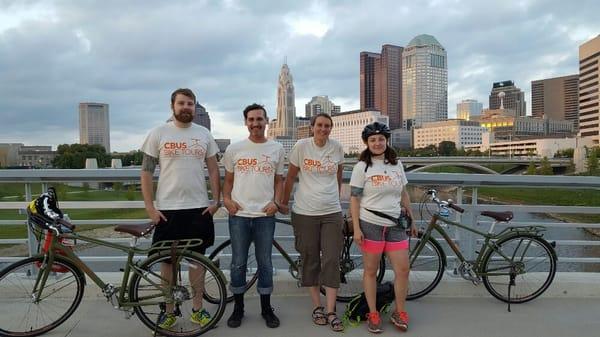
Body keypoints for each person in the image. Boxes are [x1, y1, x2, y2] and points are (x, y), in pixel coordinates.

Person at [140, 88, 221, 330]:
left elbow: (214, 169)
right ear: (173, 106)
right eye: (182, 103)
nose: (186, 107)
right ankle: (168, 311)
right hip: (167, 209)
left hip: (198, 208)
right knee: (167, 263)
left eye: (190, 104)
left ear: (195, 108)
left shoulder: (204, 134)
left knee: (197, 261)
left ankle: (197, 309)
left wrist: (216, 201)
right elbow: (146, 172)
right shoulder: (158, 133)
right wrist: (150, 208)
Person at [279, 113, 345, 332]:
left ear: (331, 128)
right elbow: (290, 177)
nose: (323, 129)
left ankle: (331, 310)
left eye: (327, 126)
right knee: (310, 259)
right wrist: (283, 202)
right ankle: (317, 307)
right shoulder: (301, 146)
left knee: (332, 259)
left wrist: (335, 199)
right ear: (312, 127)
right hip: (305, 211)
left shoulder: (336, 148)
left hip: (332, 212)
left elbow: (338, 176)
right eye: (319, 125)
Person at [349, 122, 417, 334]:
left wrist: (412, 219)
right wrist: (357, 229)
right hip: (371, 225)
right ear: (367, 143)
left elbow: (403, 193)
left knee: (403, 270)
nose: (377, 143)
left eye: (380, 139)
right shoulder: (362, 167)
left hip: (395, 224)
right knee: (371, 271)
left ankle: (400, 311)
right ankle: (373, 312)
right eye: (372, 140)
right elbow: (354, 199)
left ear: (386, 141)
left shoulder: (397, 164)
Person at [221, 103, 285, 329]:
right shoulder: (234, 149)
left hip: (265, 215)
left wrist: (276, 202)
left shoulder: (277, 149)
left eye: (260, 119)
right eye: (251, 119)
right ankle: (238, 308)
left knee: (265, 263)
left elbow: (279, 180)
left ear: (267, 121)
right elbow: (227, 181)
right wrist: (226, 201)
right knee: (238, 263)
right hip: (239, 214)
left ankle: (266, 308)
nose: (256, 123)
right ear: (245, 122)